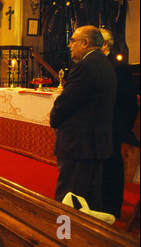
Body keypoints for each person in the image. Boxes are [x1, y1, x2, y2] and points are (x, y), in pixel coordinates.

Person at [50, 25, 117, 212]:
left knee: (69, 199)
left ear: (85, 42)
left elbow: (65, 102)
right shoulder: (105, 64)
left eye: (73, 41)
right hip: (96, 143)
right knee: (90, 198)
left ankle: (64, 236)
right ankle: (87, 238)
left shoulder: (85, 67)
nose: (70, 45)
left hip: (78, 146)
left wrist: (54, 121)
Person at [100, 28, 139, 218]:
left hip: (114, 124)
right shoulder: (98, 63)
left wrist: (123, 126)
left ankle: (112, 206)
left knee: (113, 165)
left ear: (105, 44)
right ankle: (102, 201)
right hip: (103, 124)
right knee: (103, 165)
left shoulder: (116, 66)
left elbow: (129, 100)